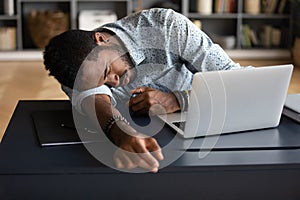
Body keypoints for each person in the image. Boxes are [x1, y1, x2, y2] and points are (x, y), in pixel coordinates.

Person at [43, 8, 247, 173]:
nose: (114, 83)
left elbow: (234, 79)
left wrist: (179, 100)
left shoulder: (167, 26)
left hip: (204, 120)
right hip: (151, 142)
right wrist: (122, 131)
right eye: (104, 82)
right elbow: (95, 101)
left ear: (101, 39)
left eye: (107, 71)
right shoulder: (76, 75)